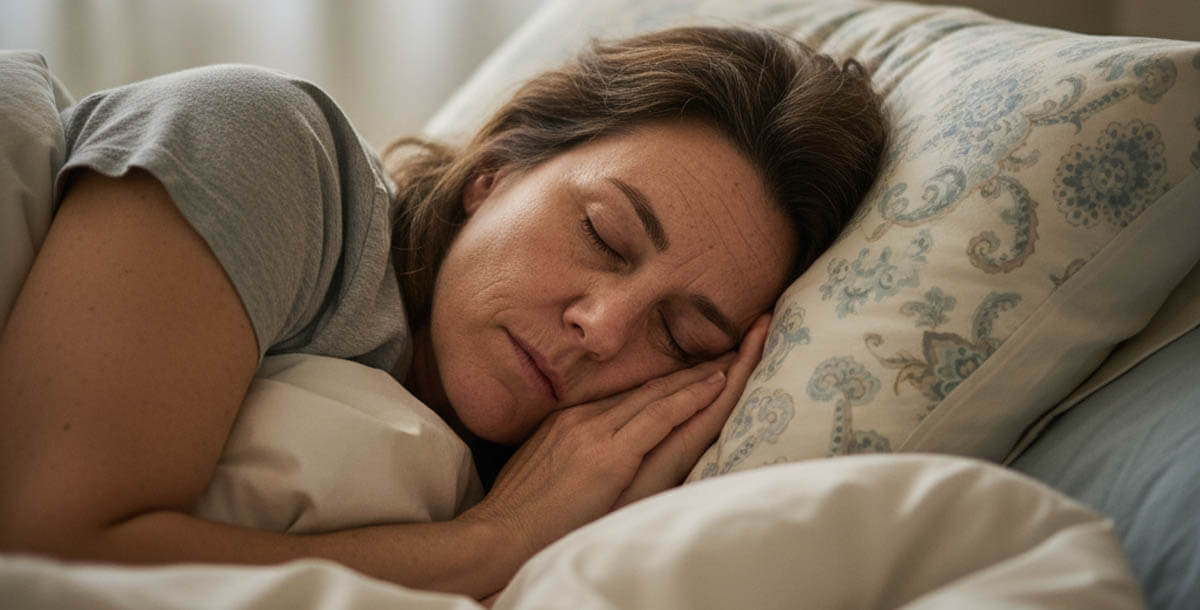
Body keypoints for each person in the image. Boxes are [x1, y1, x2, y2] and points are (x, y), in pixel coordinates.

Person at [0, 26, 886, 600]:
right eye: (605, 236)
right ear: (492, 173)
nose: (605, 327)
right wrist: (490, 544)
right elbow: (48, 549)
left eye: (680, 335)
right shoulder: (275, 149)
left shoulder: (509, 479)